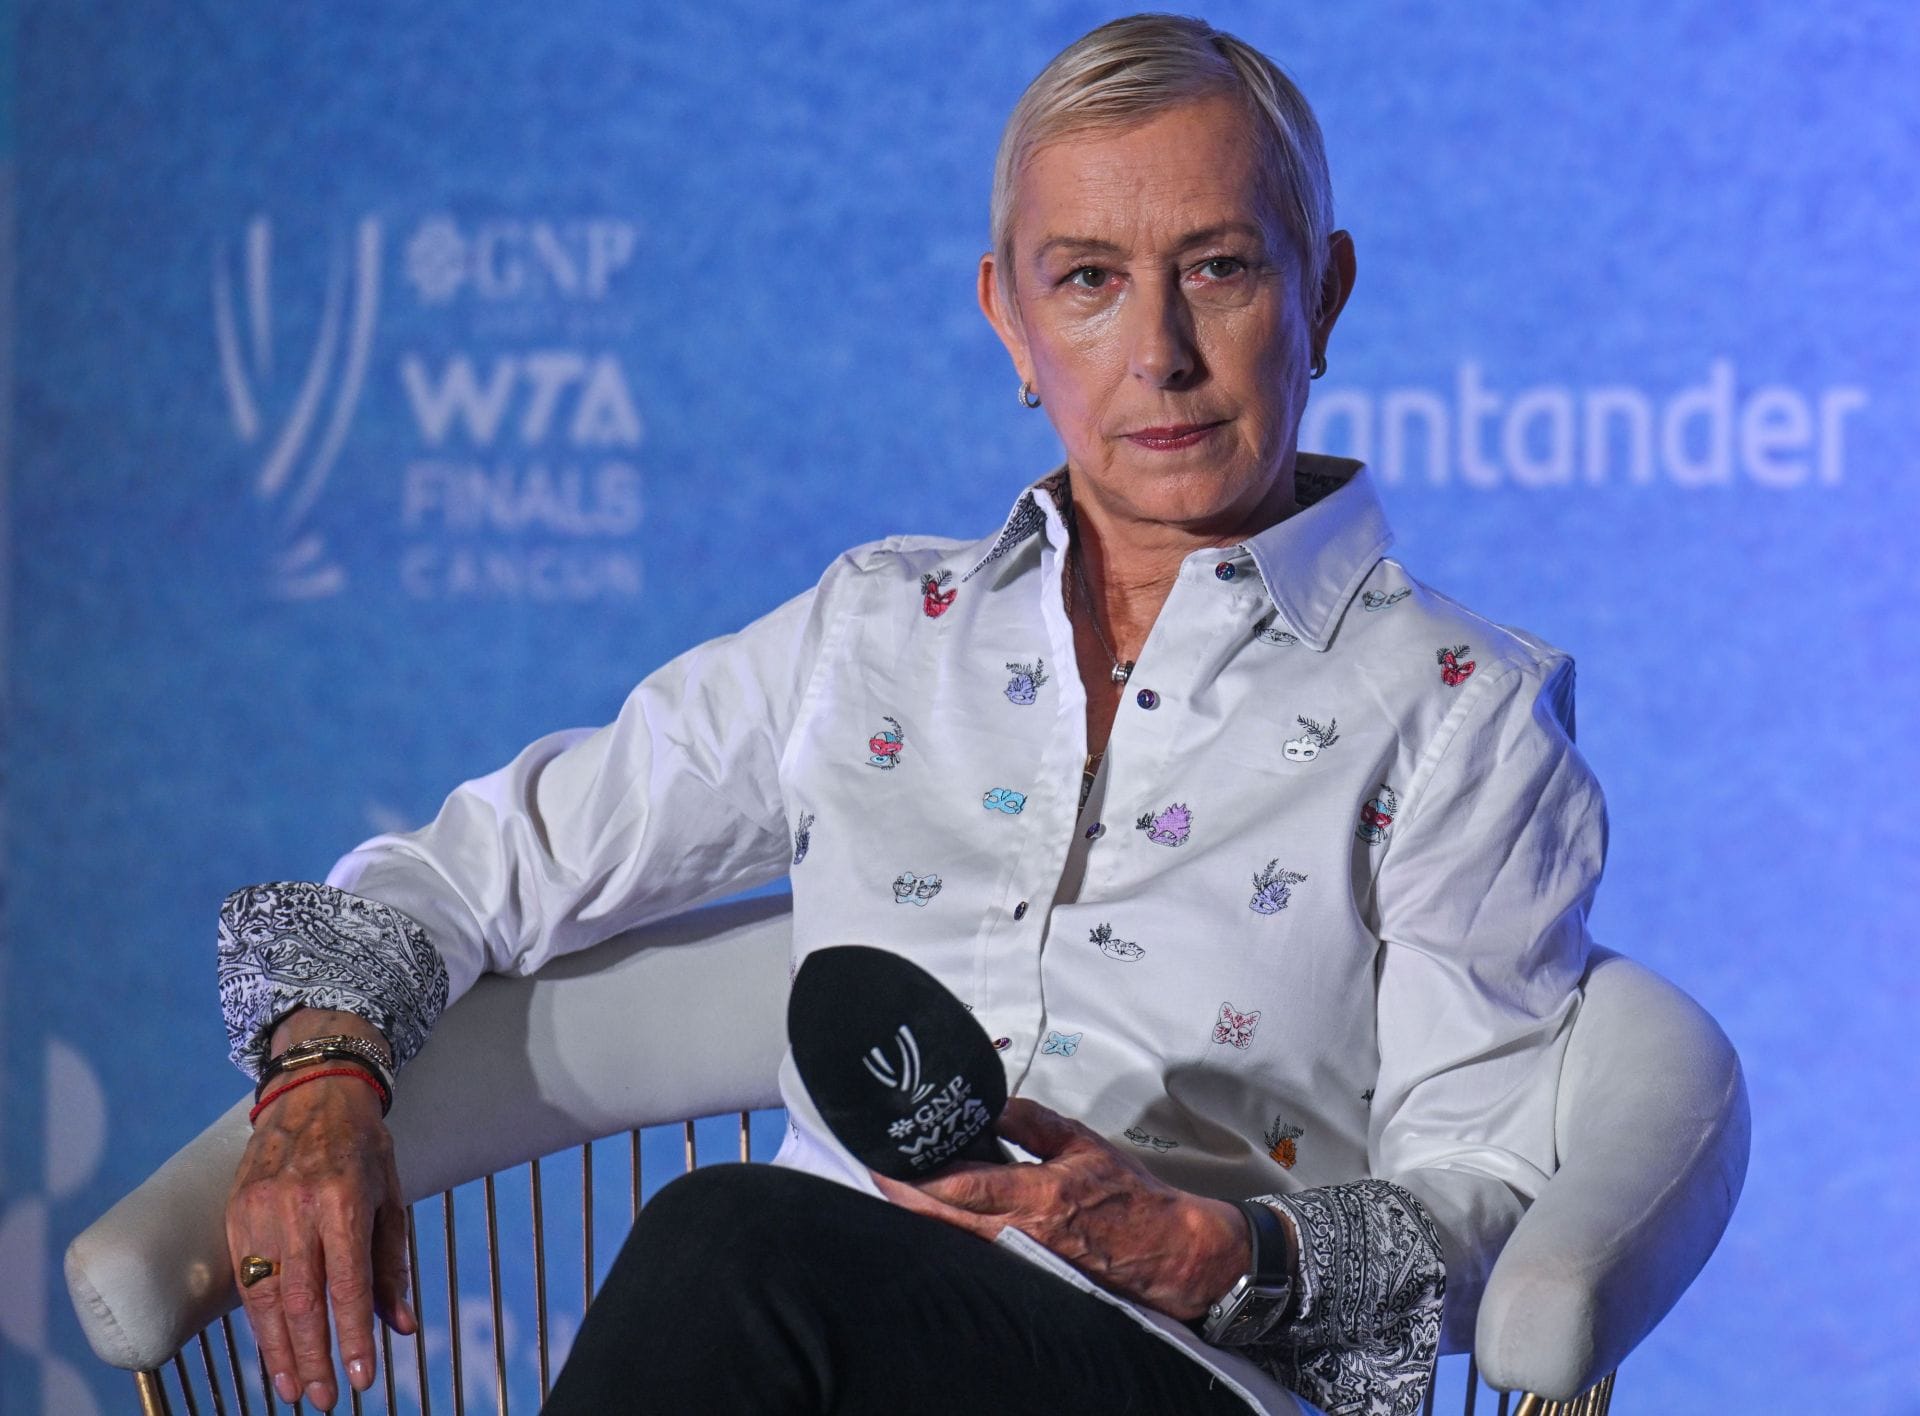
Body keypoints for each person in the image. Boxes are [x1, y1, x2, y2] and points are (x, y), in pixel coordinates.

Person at [217, 15, 1605, 1416]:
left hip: (1179, 1369)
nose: (1160, 351)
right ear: (1011, 318)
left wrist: (1222, 1251)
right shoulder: (877, 632)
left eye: (1221, 268)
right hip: (821, 1353)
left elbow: (1494, 1201)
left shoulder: (1463, 713)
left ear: (1325, 292)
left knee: (731, 1239)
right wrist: (322, 1076)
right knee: (760, 1263)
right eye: (1090, 282)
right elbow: (487, 864)